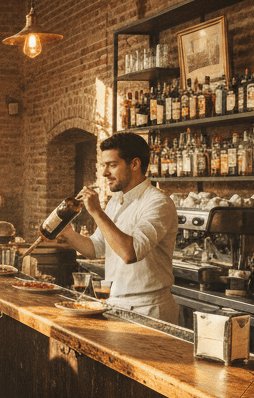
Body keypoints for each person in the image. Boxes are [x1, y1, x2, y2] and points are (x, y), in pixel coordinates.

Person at [47, 132, 179, 321]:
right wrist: (66, 232)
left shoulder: (158, 203)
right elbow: (96, 249)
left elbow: (130, 253)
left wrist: (96, 212)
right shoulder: (115, 202)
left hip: (148, 309)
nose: (104, 173)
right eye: (104, 165)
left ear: (134, 164)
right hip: (114, 303)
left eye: (112, 165)